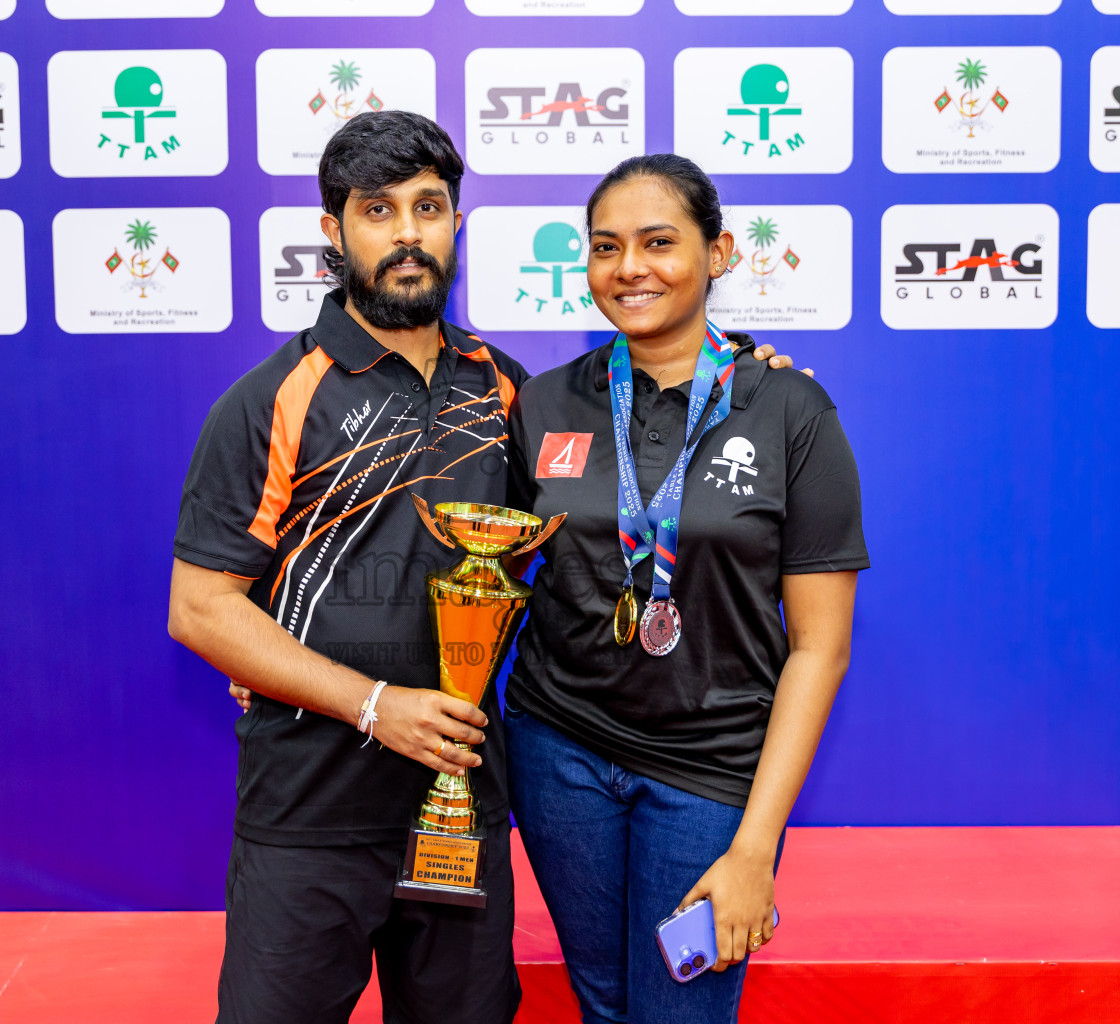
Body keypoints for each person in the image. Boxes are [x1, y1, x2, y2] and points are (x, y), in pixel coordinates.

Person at [171, 111, 801, 1024]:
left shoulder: (509, 391)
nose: (407, 234)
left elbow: (594, 521)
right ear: (333, 231)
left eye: (428, 208)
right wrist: (370, 703)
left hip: (462, 803)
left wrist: (743, 377)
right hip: (311, 811)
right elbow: (201, 608)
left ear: (456, 224)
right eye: (378, 211)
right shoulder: (270, 398)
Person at [502, 153, 868, 1024]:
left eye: (658, 242)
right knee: (603, 1005)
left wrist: (755, 845)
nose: (629, 267)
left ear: (720, 253)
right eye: (605, 246)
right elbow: (492, 572)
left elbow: (820, 649)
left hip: (710, 771)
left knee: (680, 1013)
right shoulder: (545, 403)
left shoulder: (790, 411)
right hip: (559, 751)